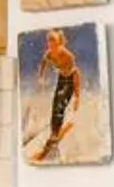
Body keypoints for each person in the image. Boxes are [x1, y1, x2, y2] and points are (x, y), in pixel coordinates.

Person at [32, 28, 83, 163]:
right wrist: (41, 76)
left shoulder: (68, 56)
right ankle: (54, 132)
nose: (51, 44)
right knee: (55, 105)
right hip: (61, 79)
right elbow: (43, 63)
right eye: (49, 42)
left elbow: (76, 74)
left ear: (60, 43)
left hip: (71, 80)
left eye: (54, 41)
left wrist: (77, 96)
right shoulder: (49, 54)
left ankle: (55, 133)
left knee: (60, 105)